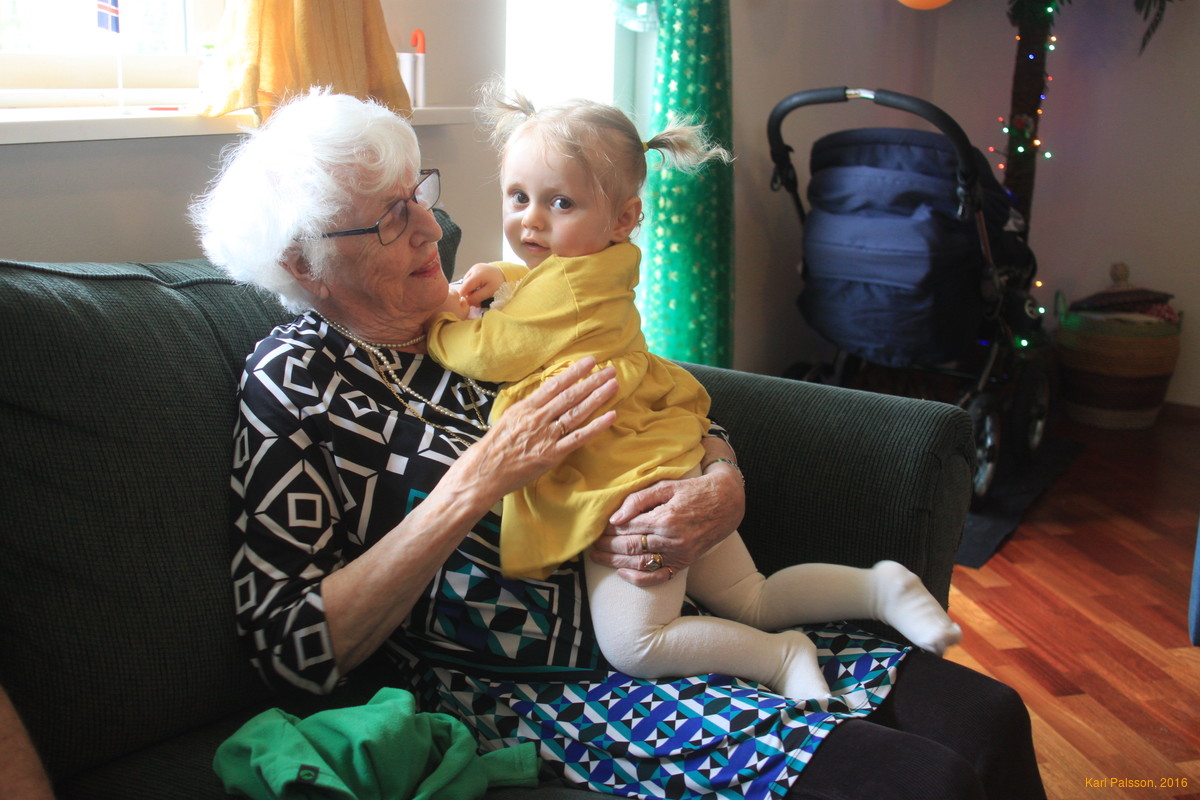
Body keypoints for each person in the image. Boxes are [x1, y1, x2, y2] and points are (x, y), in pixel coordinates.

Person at [191, 88, 1046, 799]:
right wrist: (479, 478)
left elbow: (647, 387)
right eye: (388, 220)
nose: (427, 228)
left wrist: (718, 475)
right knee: (918, 783)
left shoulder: (482, 301)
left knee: (990, 718)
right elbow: (291, 649)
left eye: (420, 194)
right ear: (304, 263)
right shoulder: (297, 381)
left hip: (675, 609)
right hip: (543, 683)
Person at [425, 90, 961, 700]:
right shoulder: (599, 264)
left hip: (625, 480)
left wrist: (445, 320)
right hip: (667, 452)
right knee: (751, 595)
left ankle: (778, 658)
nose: (531, 220)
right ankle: (877, 588)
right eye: (518, 197)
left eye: (560, 202)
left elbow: (492, 351)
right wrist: (508, 273)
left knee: (637, 644)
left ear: (624, 218)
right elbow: (550, 282)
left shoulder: (563, 295)